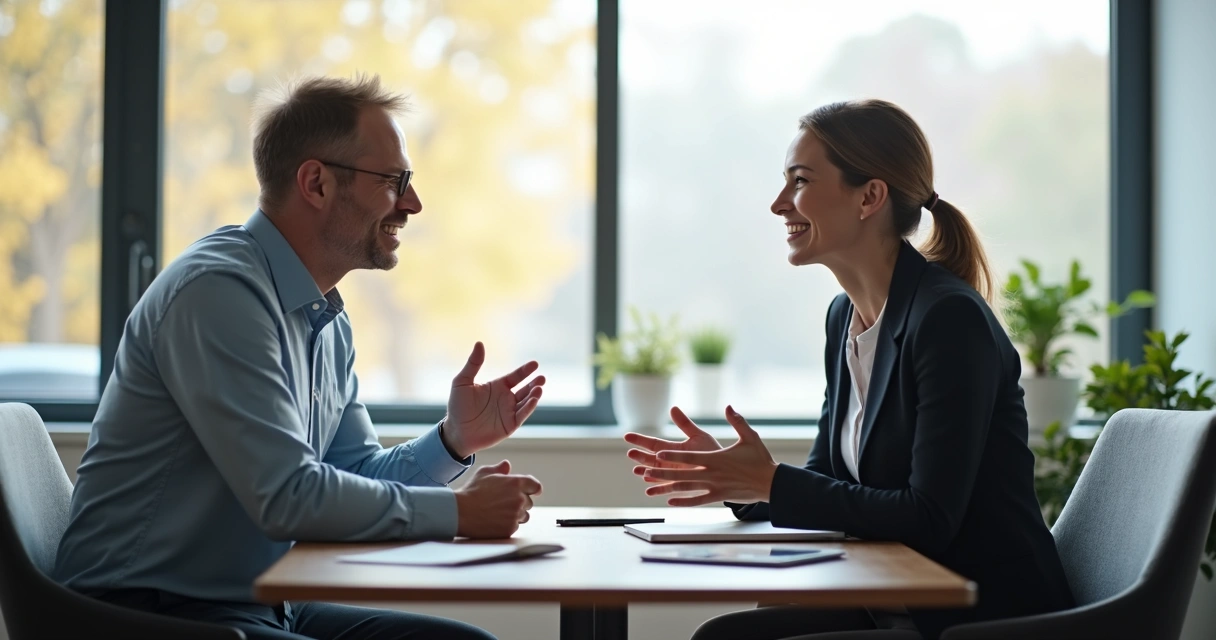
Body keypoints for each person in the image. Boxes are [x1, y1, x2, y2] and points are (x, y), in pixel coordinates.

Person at [52, 74, 546, 640]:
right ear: (315, 183)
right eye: (393, 180)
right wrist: (460, 514)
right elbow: (289, 498)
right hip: (145, 614)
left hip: (256, 604)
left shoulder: (323, 319)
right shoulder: (218, 294)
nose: (412, 203)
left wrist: (452, 441)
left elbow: (351, 475)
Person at [624, 99, 1075, 640]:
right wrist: (744, 481)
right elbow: (832, 483)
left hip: (980, 619)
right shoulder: (844, 318)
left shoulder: (949, 320)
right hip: (892, 601)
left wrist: (773, 482)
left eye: (799, 181)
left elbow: (929, 516)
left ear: (870, 197)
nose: (778, 204)